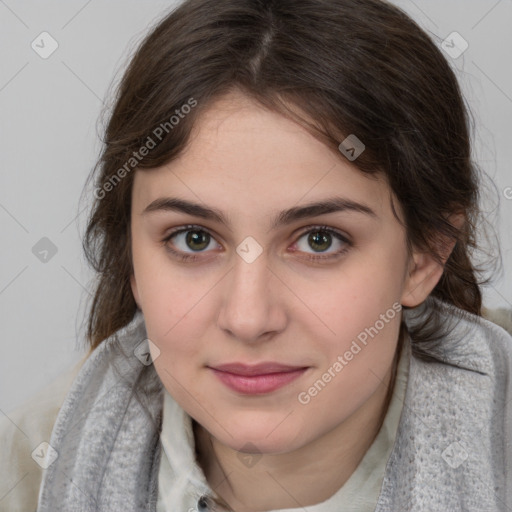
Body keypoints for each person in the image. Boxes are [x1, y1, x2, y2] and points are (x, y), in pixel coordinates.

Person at [1, 0, 511, 510]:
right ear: (130, 257)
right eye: (193, 239)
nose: (248, 319)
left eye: (319, 240)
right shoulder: (34, 467)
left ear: (425, 255)